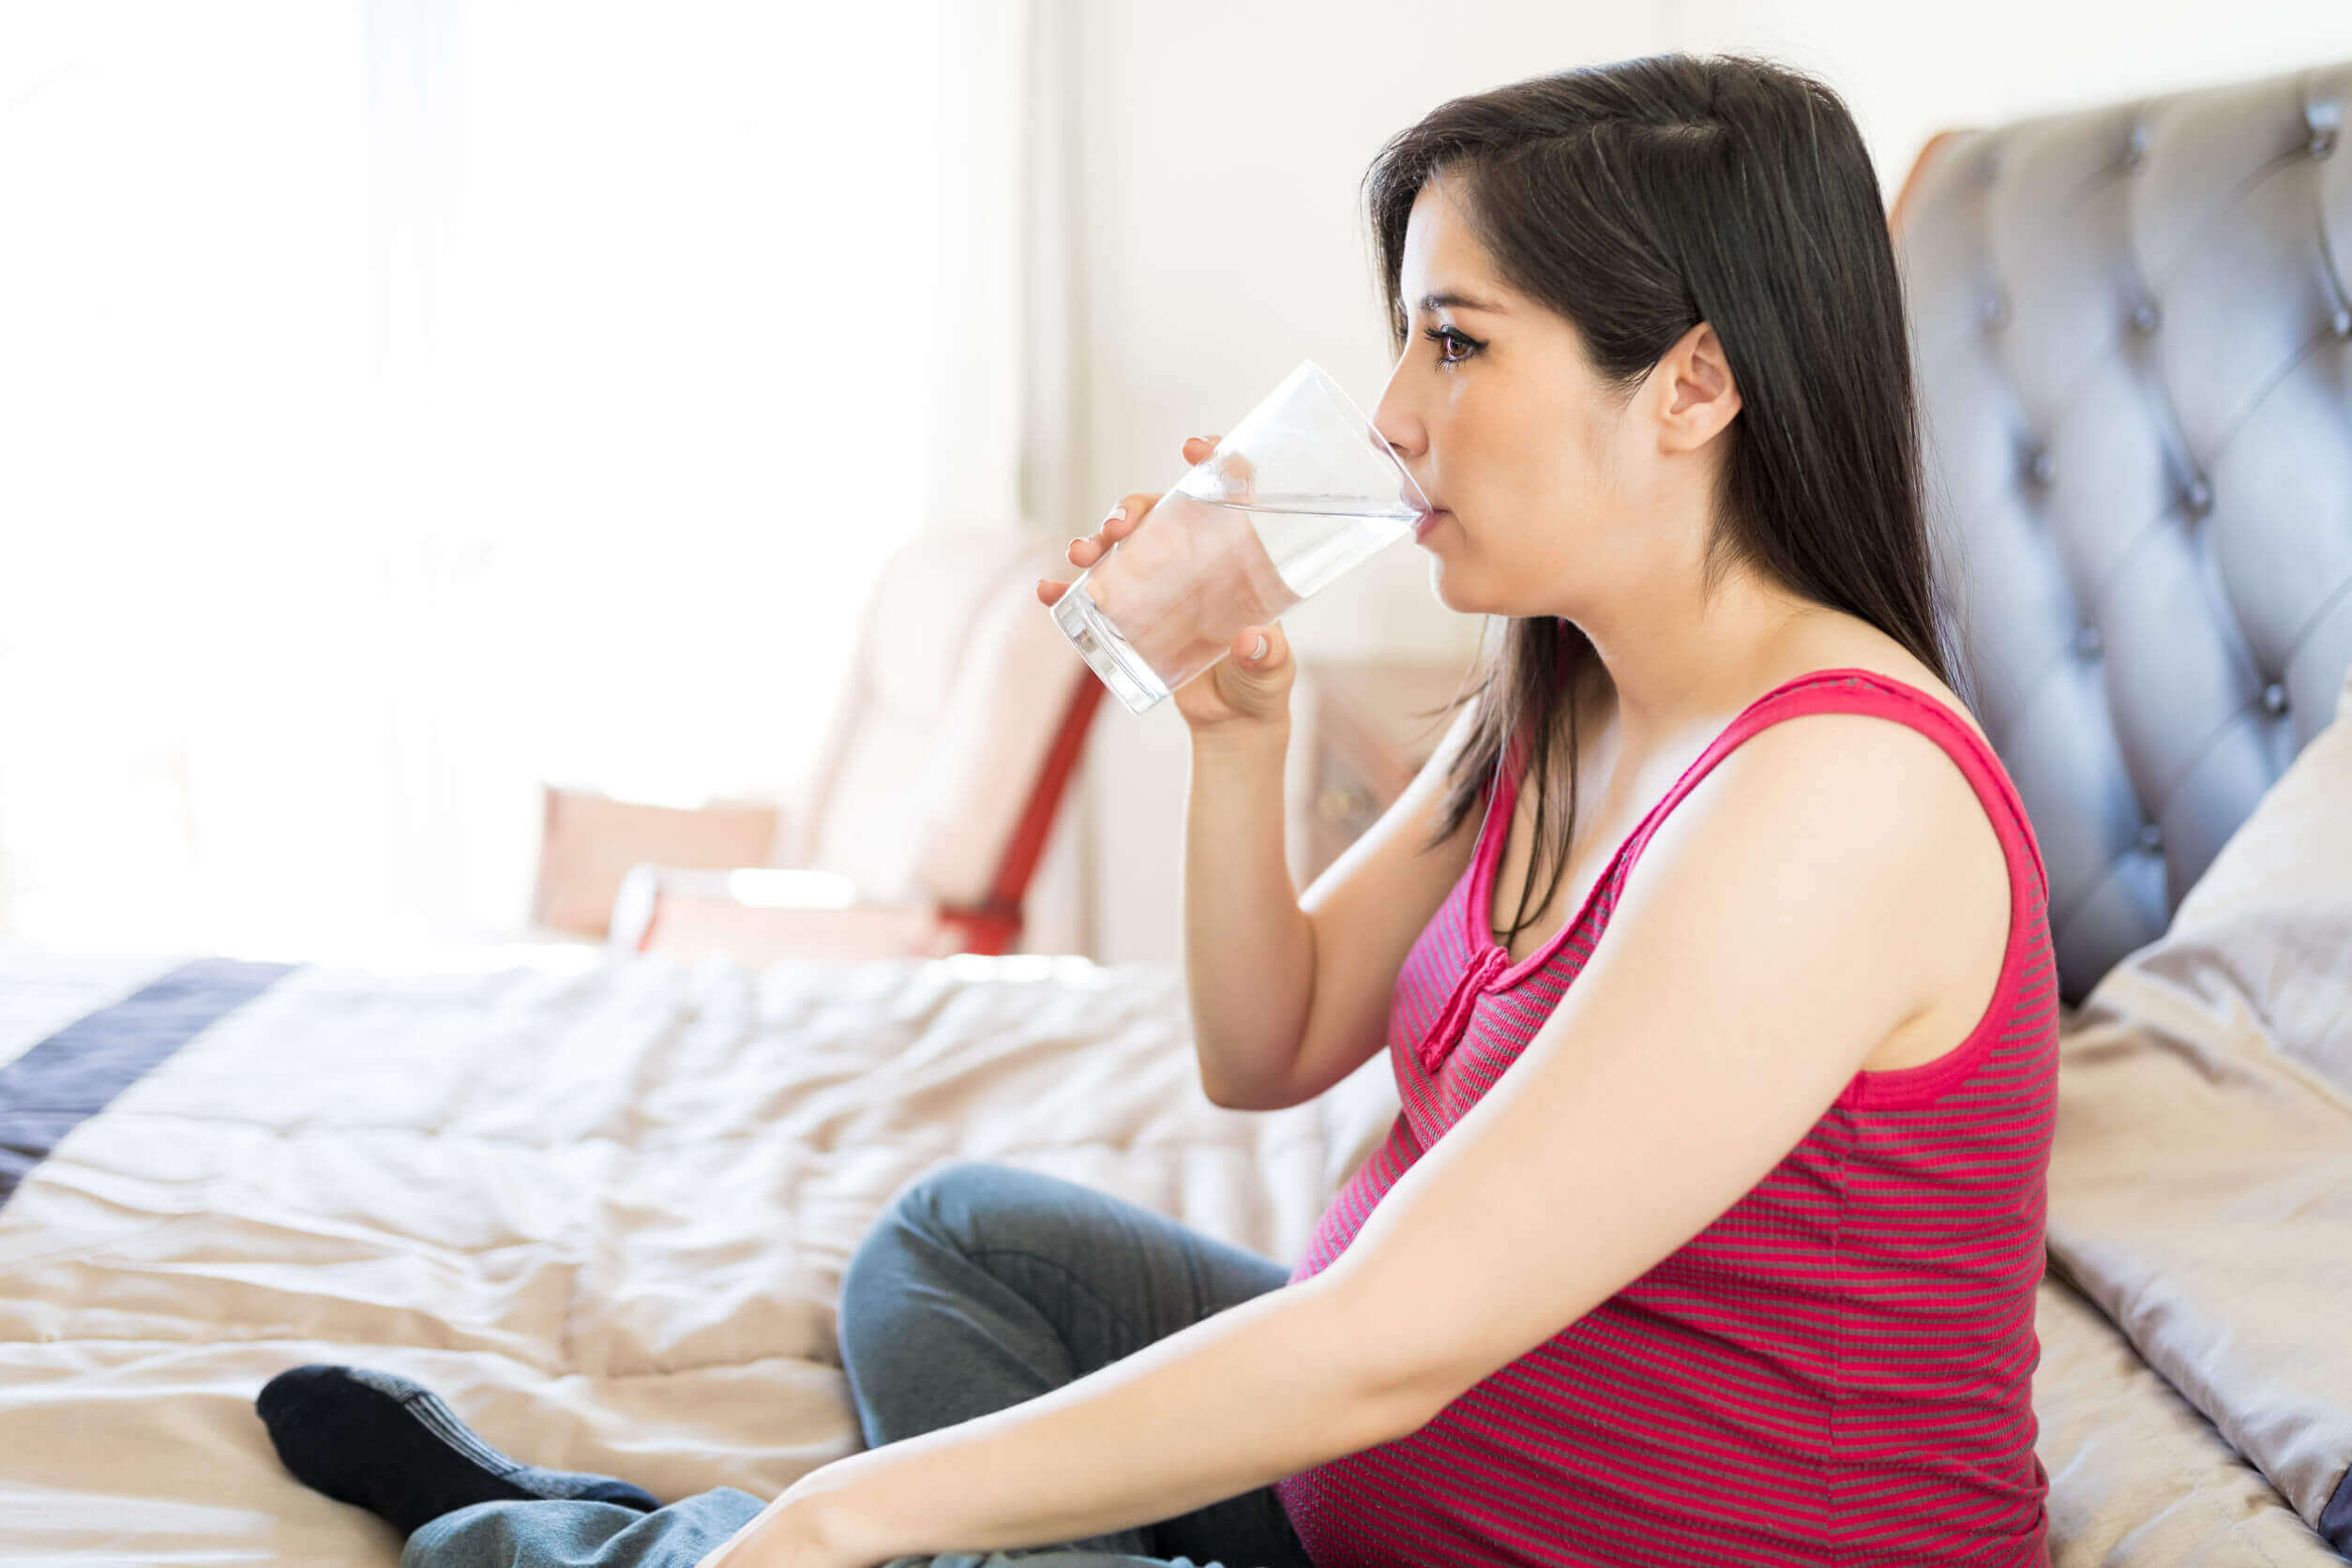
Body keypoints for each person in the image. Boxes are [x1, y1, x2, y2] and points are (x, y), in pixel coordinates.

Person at [256, 49, 2058, 1568]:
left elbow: (1388, 1341)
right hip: (1382, 1492)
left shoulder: (1841, 795)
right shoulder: (1560, 693)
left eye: (1454, 343)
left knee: (872, 1515)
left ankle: (603, 1540)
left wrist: (836, 1520)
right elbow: (1262, 1051)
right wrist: (1231, 740)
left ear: (1694, 383)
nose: (1393, 416)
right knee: (958, 1246)